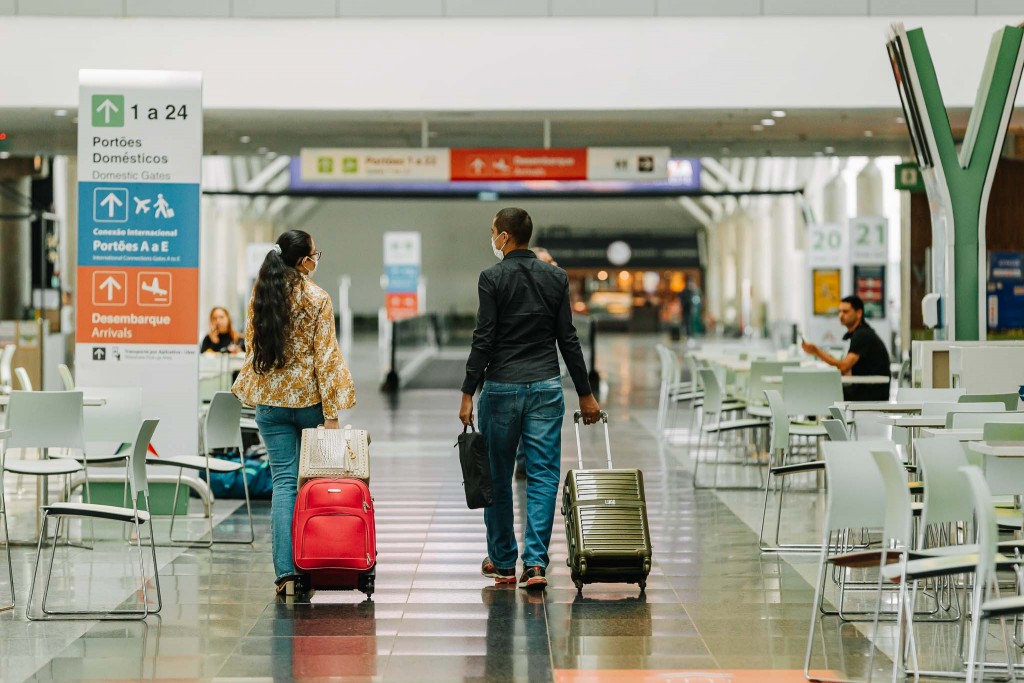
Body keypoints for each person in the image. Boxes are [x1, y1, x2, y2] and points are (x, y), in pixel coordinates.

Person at [459, 207, 601, 591]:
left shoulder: (491, 278)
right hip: (544, 386)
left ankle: (504, 563)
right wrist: (586, 394)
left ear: (504, 236)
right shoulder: (555, 276)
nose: (491, 237)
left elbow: (483, 338)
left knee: (499, 478)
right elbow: (567, 338)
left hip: (501, 387)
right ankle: (535, 564)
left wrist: (468, 391)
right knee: (542, 477)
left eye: (493, 231)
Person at [232, 229, 356, 597]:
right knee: (309, 484)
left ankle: (286, 575)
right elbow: (327, 358)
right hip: (307, 405)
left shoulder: (261, 294)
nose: (316, 261)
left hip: (270, 405)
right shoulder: (317, 298)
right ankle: (312, 561)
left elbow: (252, 346)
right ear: (303, 261)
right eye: (315, 255)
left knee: (283, 483)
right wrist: (332, 412)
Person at [515, 246, 558, 481]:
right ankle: (524, 461)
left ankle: (527, 462)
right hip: (522, 373)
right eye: (546, 261)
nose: (552, 265)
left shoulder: (554, 287)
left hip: (546, 372)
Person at [801, 294, 891, 401]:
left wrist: (816, 351)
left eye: (845, 312)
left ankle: (821, 418)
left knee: (823, 393)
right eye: (839, 311)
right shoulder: (861, 333)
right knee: (828, 390)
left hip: (872, 391)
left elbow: (844, 367)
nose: (840, 315)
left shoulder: (862, 335)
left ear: (859, 313)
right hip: (868, 387)